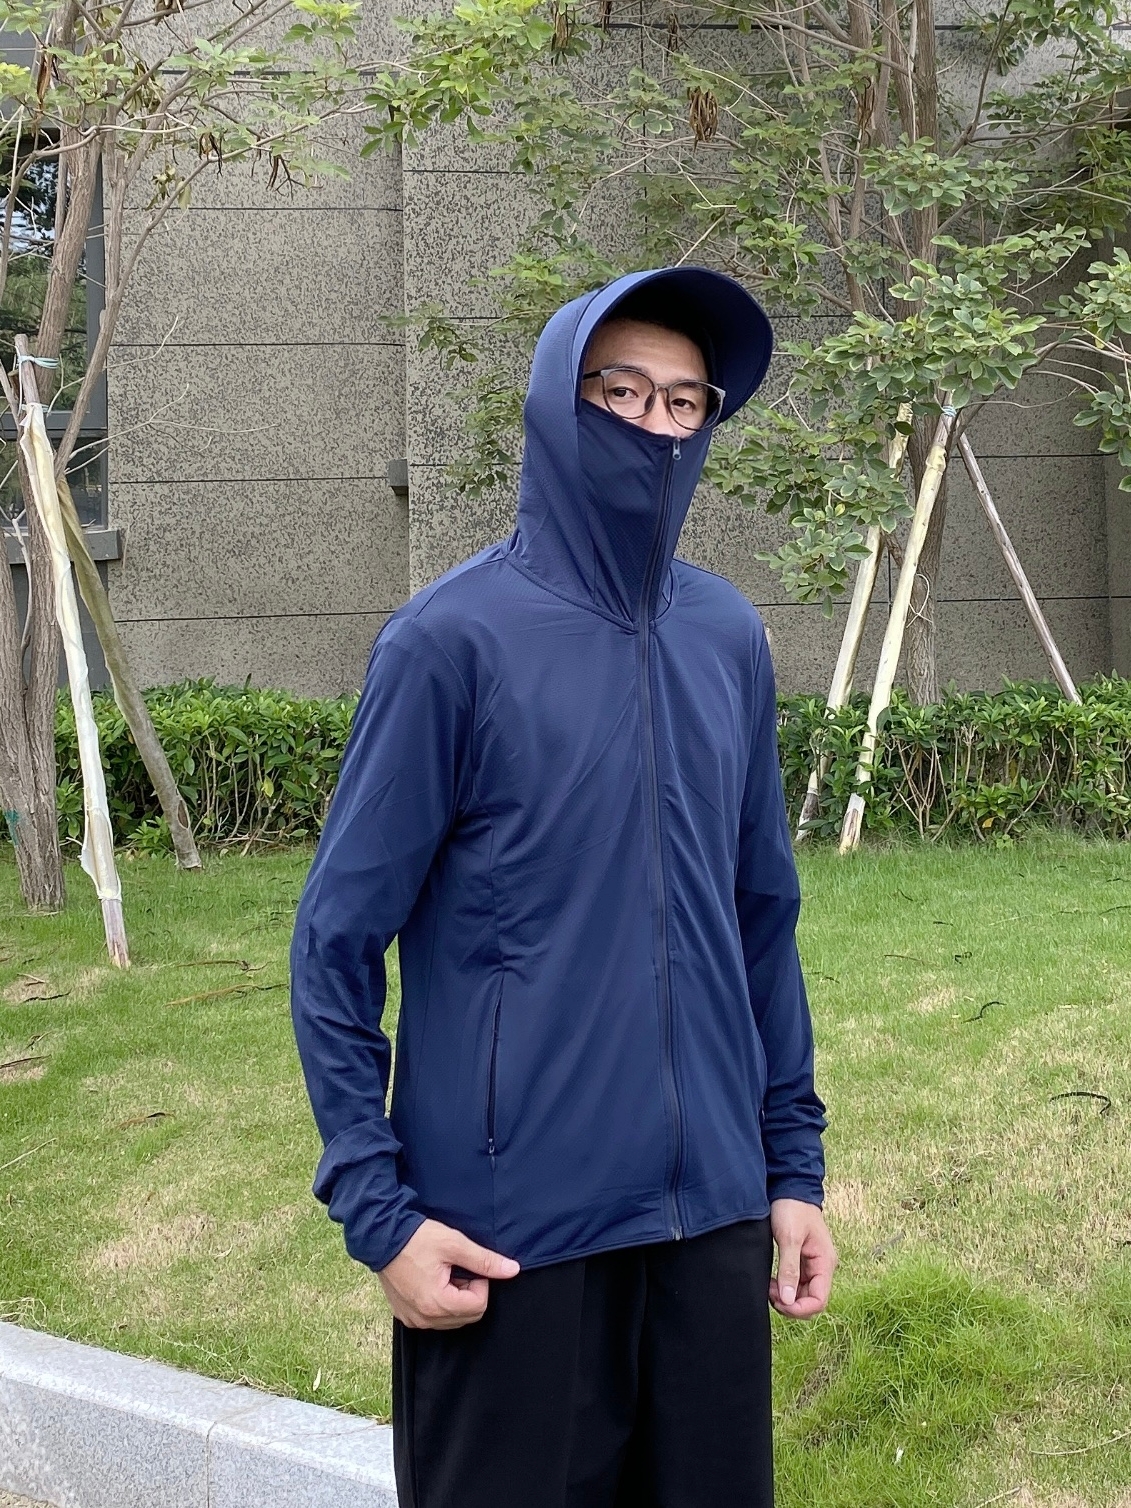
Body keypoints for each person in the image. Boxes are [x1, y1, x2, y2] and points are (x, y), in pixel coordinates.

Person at [290, 265, 837, 1508]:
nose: (655, 426)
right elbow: (334, 943)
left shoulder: (728, 638)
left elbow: (762, 918)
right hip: (509, 1238)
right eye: (621, 392)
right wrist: (380, 1211)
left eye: (684, 403)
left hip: (710, 1224)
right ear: (557, 402)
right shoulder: (450, 642)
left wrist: (791, 1169)